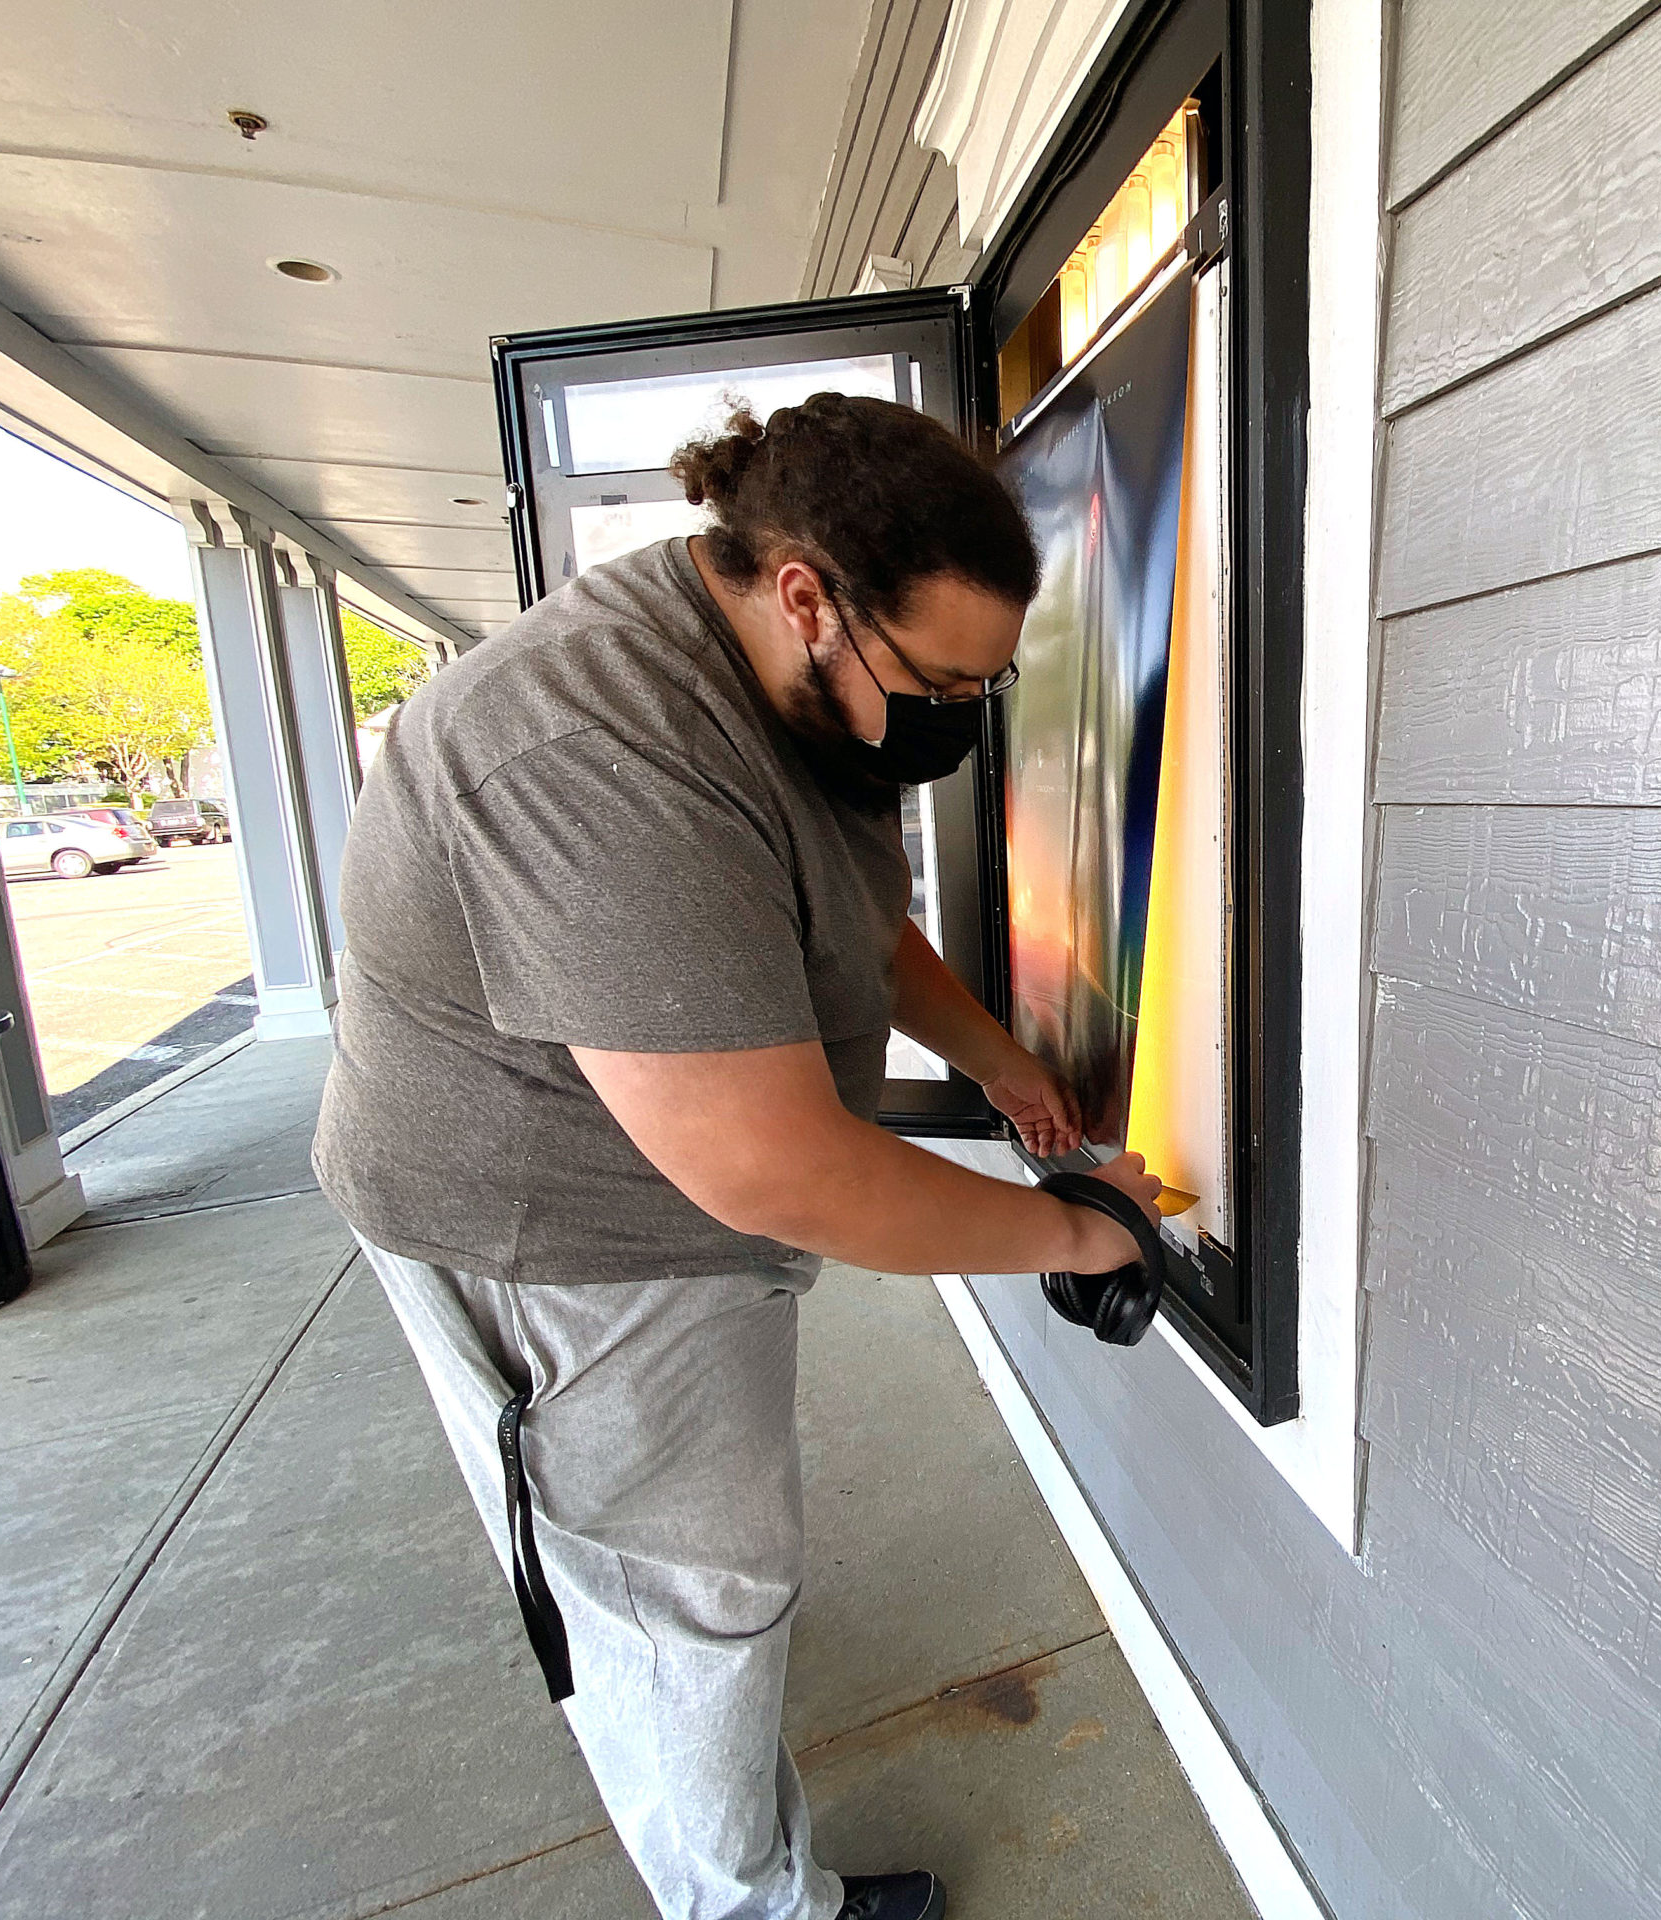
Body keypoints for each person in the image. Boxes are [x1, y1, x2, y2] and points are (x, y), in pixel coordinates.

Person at [311, 393, 1162, 1920]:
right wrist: (1083, 1234)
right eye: (940, 677)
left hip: (658, 1187)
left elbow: (842, 906)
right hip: (552, 1226)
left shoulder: (783, 689)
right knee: (683, 1598)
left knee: (695, 1577)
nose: (960, 712)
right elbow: (778, 1170)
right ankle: (753, 1909)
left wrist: (999, 1058)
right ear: (804, 596)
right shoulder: (596, 750)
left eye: (992, 678)